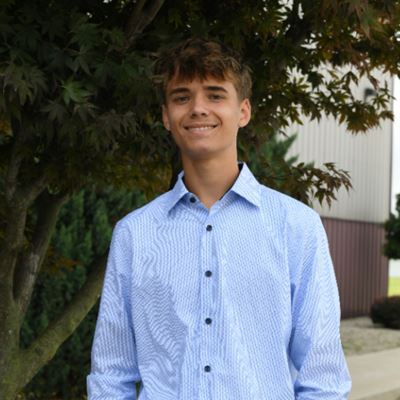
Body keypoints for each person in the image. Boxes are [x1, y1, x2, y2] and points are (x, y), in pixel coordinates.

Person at [87, 38, 351, 399]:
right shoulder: (134, 234)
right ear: (166, 116)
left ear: (243, 111)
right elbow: (111, 375)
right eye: (182, 97)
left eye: (215, 95)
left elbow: (323, 378)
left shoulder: (296, 227)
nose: (198, 108)